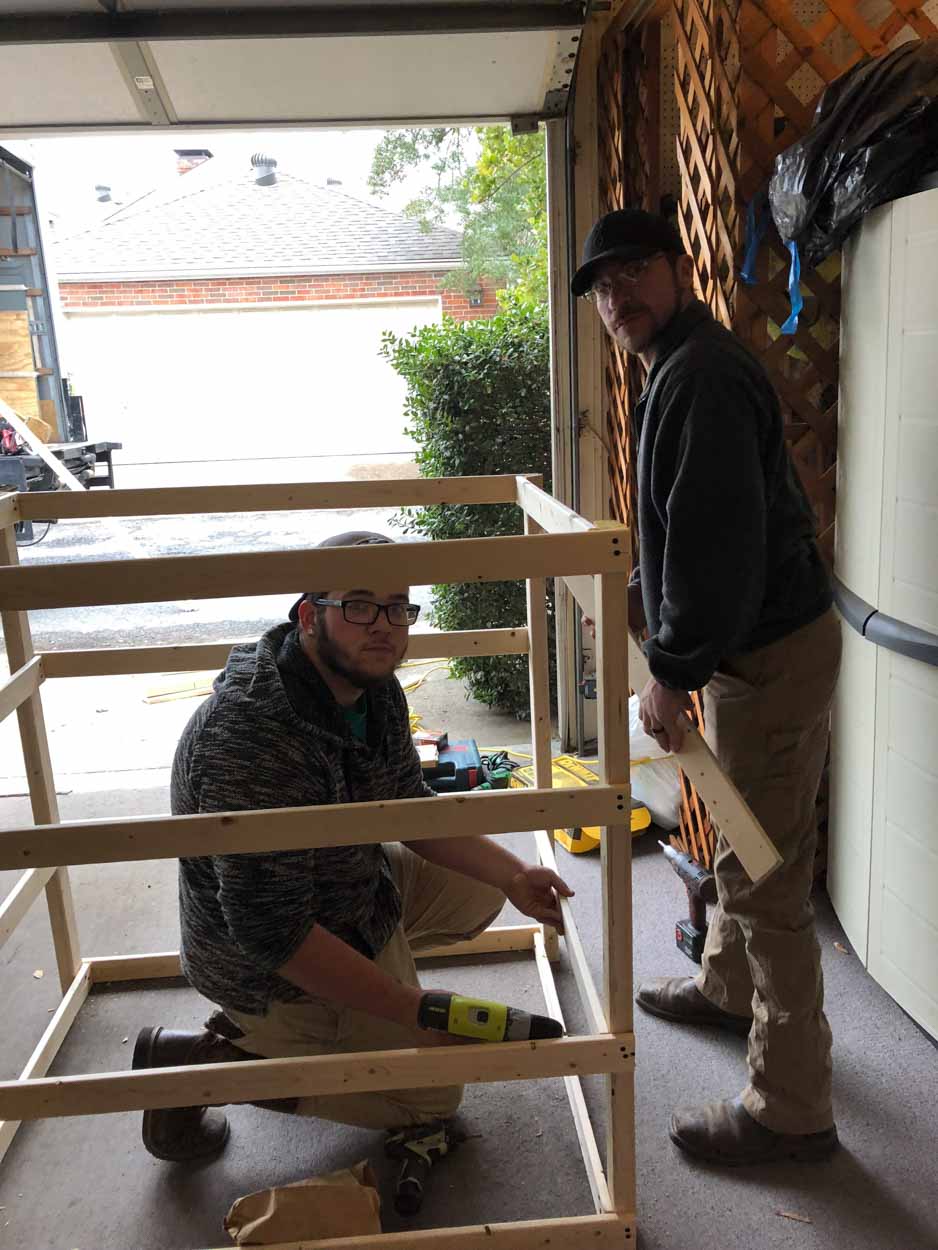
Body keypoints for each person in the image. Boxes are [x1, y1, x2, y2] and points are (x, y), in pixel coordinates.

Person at [133, 529, 572, 1173]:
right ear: (310, 616)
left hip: (349, 889)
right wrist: (413, 1012)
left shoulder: (373, 687)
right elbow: (272, 933)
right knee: (431, 1097)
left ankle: (355, 999)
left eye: (398, 608)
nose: (384, 626)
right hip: (262, 964)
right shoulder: (254, 739)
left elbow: (406, 806)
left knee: (483, 888)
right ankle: (211, 1060)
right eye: (360, 606)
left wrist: (513, 875)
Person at [573, 209, 842, 1166]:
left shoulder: (703, 379)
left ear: (678, 270)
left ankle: (792, 1106)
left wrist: (671, 669)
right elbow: (692, 524)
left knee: (765, 872)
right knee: (740, 837)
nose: (619, 298)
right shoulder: (674, 368)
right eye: (603, 287)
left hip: (762, 653)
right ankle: (729, 988)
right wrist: (645, 592)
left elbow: (721, 546)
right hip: (757, 643)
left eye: (635, 273)